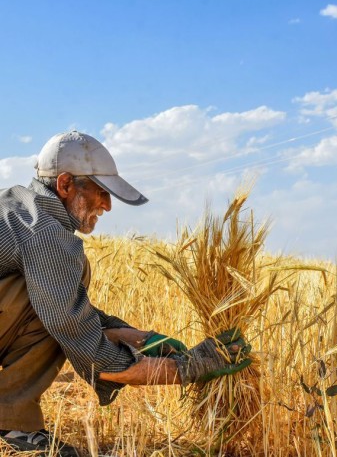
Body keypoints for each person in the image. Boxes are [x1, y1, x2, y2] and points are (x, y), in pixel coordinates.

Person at [0, 131, 251, 456]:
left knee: (57, 296)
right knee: (56, 310)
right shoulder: (46, 236)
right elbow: (94, 356)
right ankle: (12, 426)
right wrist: (189, 367)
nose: (107, 205)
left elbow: (71, 313)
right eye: (101, 192)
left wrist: (145, 339)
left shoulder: (17, 204)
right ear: (64, 185)